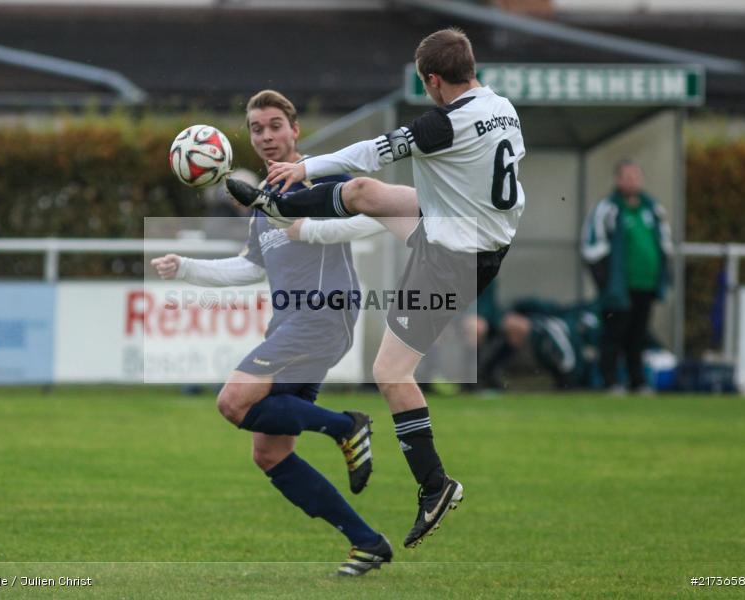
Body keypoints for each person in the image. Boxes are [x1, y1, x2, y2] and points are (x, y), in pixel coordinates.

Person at [226, 28, 526, 548]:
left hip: (452, 257)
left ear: (432, 80)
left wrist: (305, 166)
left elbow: (373, 150)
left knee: (390, 371)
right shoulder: (501, 106)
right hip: (466, 233)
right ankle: (280, 206)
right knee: (366, 194)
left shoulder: (445, 124)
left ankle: (434, 485)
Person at [152, 90, 392, 576]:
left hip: (323, 313)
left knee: (232, 402)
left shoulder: (322, 177)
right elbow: (248, 269)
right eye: (257, 128)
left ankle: (347, 426)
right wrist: (186, 269)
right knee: (269, 452)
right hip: (291, 321)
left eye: (275, 125)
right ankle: (368, 543)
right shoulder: (262, 201)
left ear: (295, 129)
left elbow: (379, 217)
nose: (266, 136)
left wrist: (317, 229)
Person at [581, 159, 672, 393]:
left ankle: (637, 380)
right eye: (627, 176)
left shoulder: (652, 208)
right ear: (618, 179)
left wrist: (663, 277)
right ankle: (609, 380)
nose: (632, 181)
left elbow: (664, 244)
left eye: (636, 176)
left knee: (638, 335)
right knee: (614, 334)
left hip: (646, 283)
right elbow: (592, 248)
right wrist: (606, 283)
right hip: (619, 287)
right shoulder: (608, 209)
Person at [480, 297, 602, 391]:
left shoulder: (548, 333)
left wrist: (569, 380)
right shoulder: (508, 340)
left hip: (568, 366)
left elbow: (567, 361)